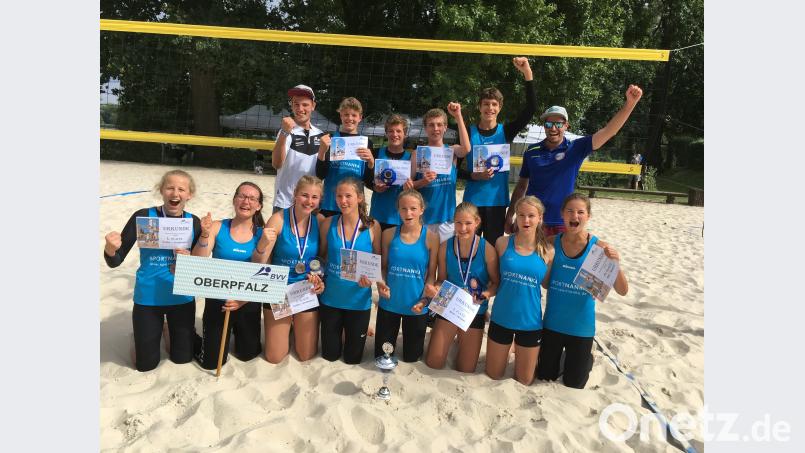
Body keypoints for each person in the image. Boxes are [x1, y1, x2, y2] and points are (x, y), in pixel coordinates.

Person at [506, 85, 644, 235]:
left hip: (564, 222)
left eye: (558, 124)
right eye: (549, 124)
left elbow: (609, 131)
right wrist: (509, 215)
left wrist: (630, 104)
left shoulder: (576, 148)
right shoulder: (531, 151)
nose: (553, 128)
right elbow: (521, 187)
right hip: (533, 221)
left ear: (566, 125)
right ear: (544, 126)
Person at [103, 169, 201, 372]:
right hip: (148, 298)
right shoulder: (143, 216)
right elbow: (116, 260)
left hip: (181, 298)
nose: (175, 193)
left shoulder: (194, 222)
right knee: (145, 365)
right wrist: (110, 250)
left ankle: (166, 330)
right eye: (170, 188)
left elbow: (201, 264)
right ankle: (141, 340)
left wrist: (189, 260)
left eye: (181, 189)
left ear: (189, 194)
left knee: (182, 359)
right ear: (161, 191)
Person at [538, 193, 629, 389]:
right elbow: (545, 284)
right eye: (570, 211)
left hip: (581, 328)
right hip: (553, 324)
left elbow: (622, 291)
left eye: (581, 212)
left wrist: (616, 263)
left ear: (588, 216)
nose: (575, 216)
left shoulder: (599, 248)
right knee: (545, 376)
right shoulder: (552, 242)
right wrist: (549, 262)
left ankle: (586, 358)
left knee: (574, 383)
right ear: (562, 214)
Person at [456, 56, 536, 245]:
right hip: (472, 203)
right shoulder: (468, 132)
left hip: (497, 203)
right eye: (486, 104)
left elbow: (531, 109)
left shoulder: (505, 131)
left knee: (492, 250)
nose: (489, 108)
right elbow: (455, 169)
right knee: (469, 249)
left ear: (499, 108)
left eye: (494, 104)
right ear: (479, 107)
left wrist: (527, 73)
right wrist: (474, 176)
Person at [191, 182, 265, 370]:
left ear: (259, 206)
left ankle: (236, 333)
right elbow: (198, 259)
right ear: (234, 200)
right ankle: (191, 336)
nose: (246, 201)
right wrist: (205, 235)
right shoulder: (217, 226)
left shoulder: (263, 235)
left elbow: (265, 275)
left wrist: (243, 300)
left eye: (252, 198)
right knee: (212, 363)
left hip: (247, 300)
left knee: (248, 354)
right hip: (219, 299)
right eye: (241, 196)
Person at [254, 176, 326, 363]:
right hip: (279, 290)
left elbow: (322, 259)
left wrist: (319, 278)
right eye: (304, 195)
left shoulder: (319, 221)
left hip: (305, 290)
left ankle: (295, 325)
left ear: (320, 200)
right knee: (274, 357)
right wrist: (262, 245)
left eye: (314, 197)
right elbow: (260, 262)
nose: (309, 201)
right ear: (295, 194)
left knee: (305, 355)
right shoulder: (278, 219)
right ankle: (288, 325)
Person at [423, 201, 500, 373]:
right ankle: (448, 335)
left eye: (468, 223)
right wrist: (434, 288)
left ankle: (460, 339)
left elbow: (496, 283)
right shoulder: (445, 247)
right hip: (449, 305)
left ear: (477, 222)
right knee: (433, 362)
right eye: (458, 223)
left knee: (465, 369)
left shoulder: (487, 249)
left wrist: (485, 295)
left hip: (473, 309)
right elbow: (441, 279)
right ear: (453, 222)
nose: (463, 228)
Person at [486, 196, 554, 386]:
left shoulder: (548, 251)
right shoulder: (502, 243)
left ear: (540, 218)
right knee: (493, 375)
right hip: (501, 318)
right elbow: (493, 280)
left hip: (530, 322)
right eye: (521, 215)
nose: (526, 220)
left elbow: (547, 285)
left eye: (531, 216)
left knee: (524, 381)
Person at [318, 177, 382, 364]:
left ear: (360, 198)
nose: (343, 200)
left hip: (358, 301)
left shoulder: (372, 226)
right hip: (331, 299)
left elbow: (377, 261)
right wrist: (317, 274)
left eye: (348, 196)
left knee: (352, 359)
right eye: (339, 196)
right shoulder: (328, 223)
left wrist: (371, 279)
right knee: (329, 355)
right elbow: (321, 258)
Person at [374, 190, 439, 362]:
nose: (408, 213)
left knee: (412, 358)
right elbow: (383, 267)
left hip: (416, 306)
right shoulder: (388, 234)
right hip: (389, 304)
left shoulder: (431, 238)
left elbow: (431, 275)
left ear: (421, 209)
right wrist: (381, 284)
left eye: (413, 208)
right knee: (382, 357)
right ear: (398, 210)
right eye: (403, 209)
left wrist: (425, 300)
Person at [412, 104, 471, 242]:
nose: (436, 128)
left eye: (439, 124)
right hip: (424, 220)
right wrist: (423, 182)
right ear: (425, 128)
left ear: (445, 127)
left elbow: (466, 149)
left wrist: (458, 116)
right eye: (431, 125)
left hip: (448, 221)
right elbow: (408, 186)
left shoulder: (452, 151)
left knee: (445, 262)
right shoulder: (417, 154)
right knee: (427, 262)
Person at [316, 97, 376, 217]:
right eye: (346, 114)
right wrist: (322, 151)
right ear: (341, 116)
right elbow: (320, 175)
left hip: (355, 205)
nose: (350, 118)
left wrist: (371, 163)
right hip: (330, 203)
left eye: (354, 115)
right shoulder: (331, 139)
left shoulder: (366, 143)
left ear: (360, 117)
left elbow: (368, 181)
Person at [272, 84, 326, 213]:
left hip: (310, 203)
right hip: (285, 202)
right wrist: (284, 133)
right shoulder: (285, 131)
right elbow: (276, 164)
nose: (300, 108)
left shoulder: (321, 135)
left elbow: (323, 173)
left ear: (313, 106)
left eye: (305, 104)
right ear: (291, 106)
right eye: (296, 104)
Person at [369, 114, 416, 231]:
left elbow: (415, 187)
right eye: (391, 131)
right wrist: (374, 187)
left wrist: (411, 188)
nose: (395, 135)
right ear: (386, 133)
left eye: (398, 131)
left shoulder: (411, 158)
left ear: (405, 134)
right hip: (378, 214)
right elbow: (366, 179)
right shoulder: (375, 153)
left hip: (400, 217)